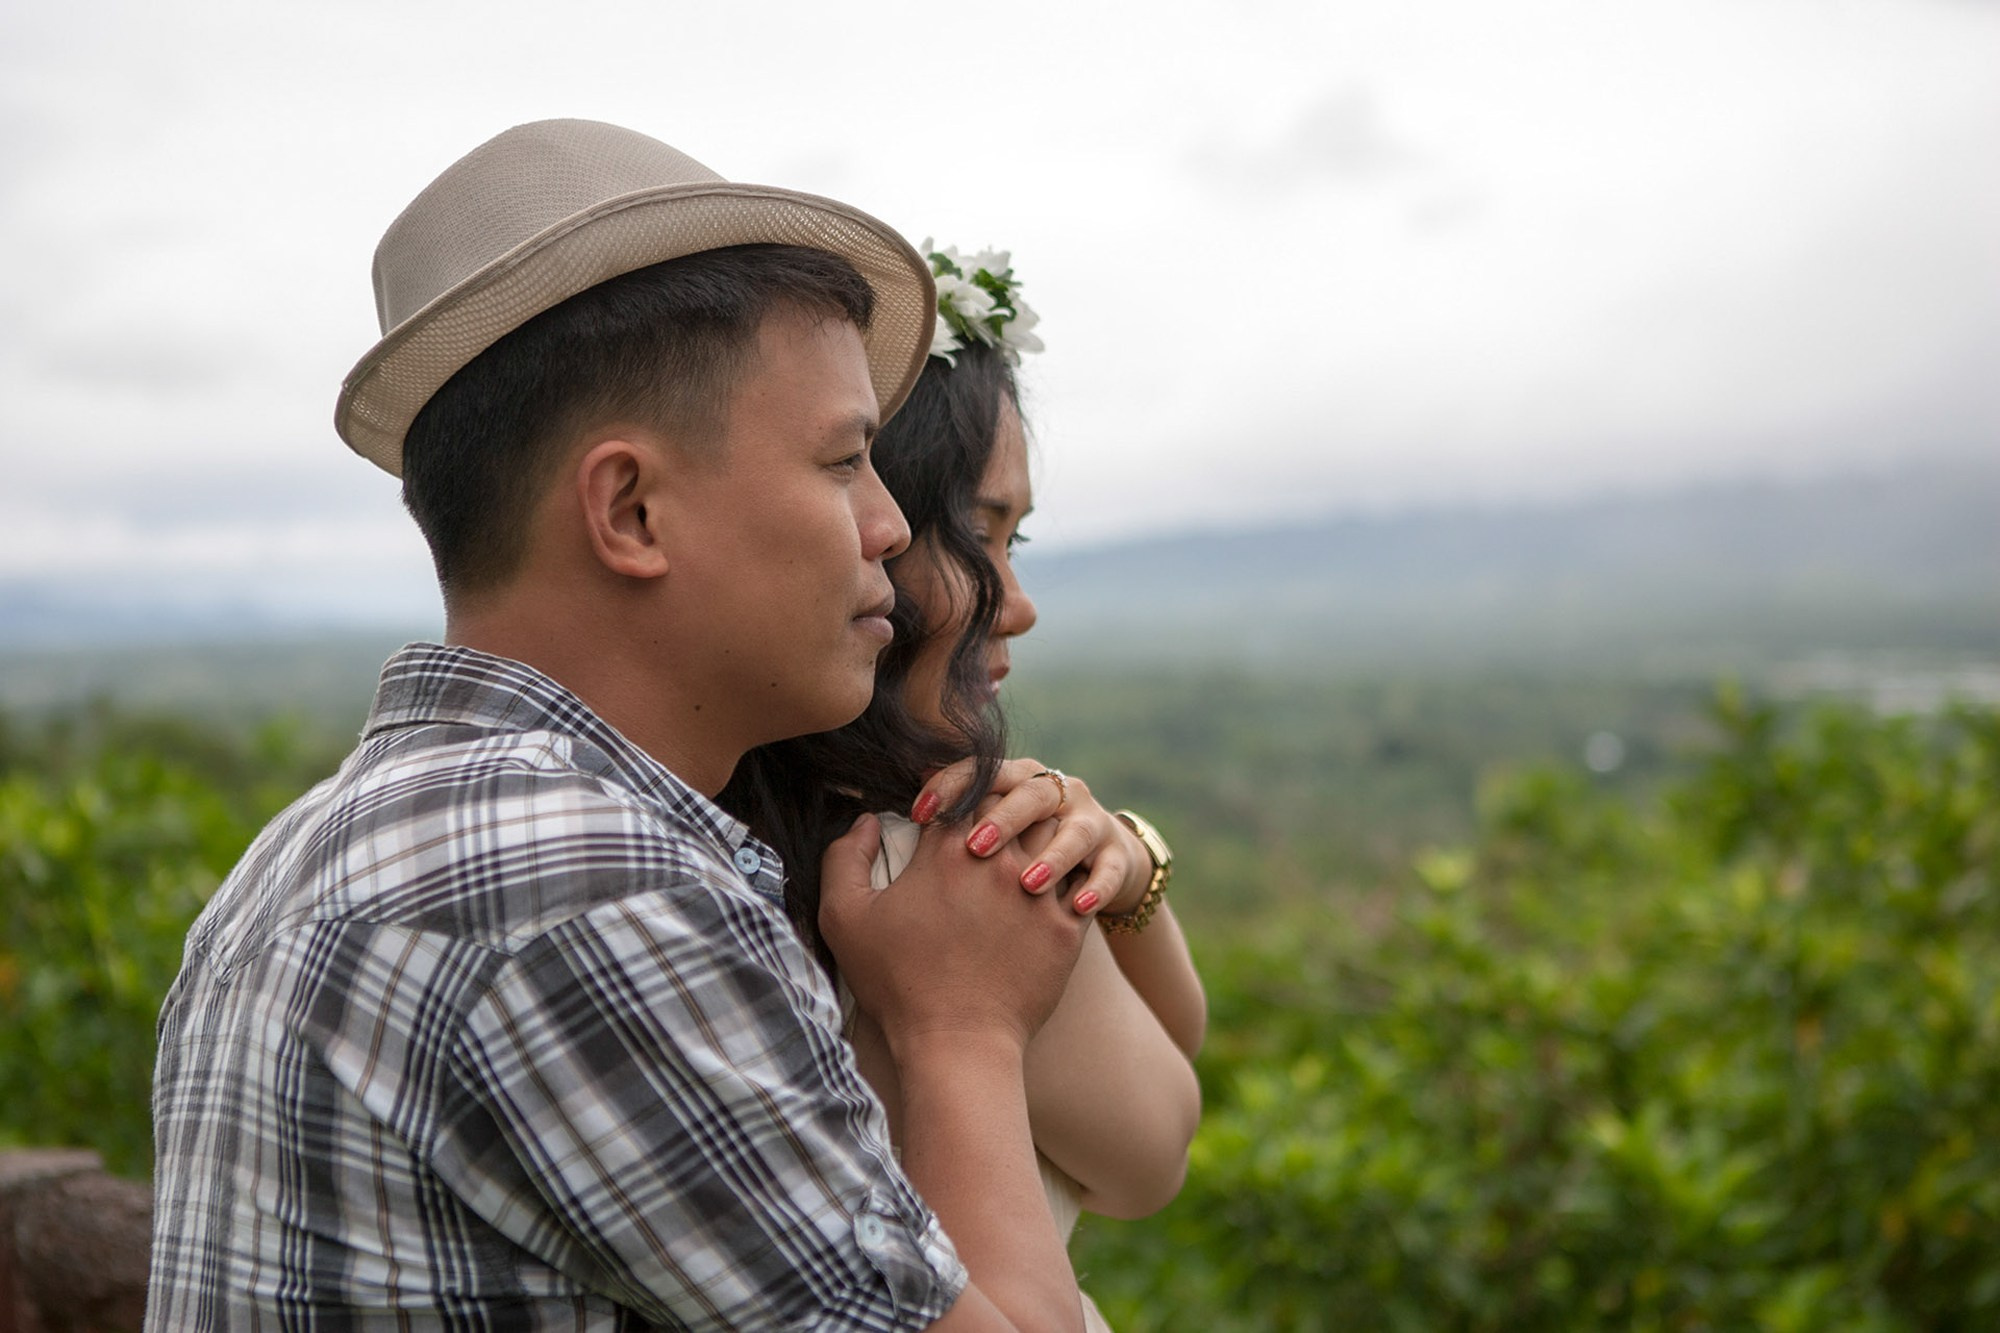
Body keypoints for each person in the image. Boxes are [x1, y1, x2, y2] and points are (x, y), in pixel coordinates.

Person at [146, 120, 1099, 1331]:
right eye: (841, 462)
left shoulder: (291, 856)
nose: (889, 526)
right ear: (631, 510)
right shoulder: (592, 889)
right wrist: (962, 1027)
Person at [720, 247, 1206, 1330]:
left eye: (1013, 538)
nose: (1016, 601)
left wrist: (1126, 863)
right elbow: (1156, 1144)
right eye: (977, 532)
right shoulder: (948, 868)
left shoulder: (687, 833)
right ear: (872, 522)